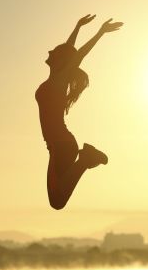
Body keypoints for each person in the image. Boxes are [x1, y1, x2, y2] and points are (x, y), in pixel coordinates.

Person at [35, 14, 123, 209]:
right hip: (57, 146)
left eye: (55, 51)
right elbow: (68, 51)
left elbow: (76, 55)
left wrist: (100, 32)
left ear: (60, 60)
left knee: (57, 202)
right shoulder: (55, 79)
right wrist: (77, 27)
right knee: (57, 200)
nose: (50, 50)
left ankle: (86, 160)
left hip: (62, 145)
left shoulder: (58, 82)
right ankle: (87, 158)